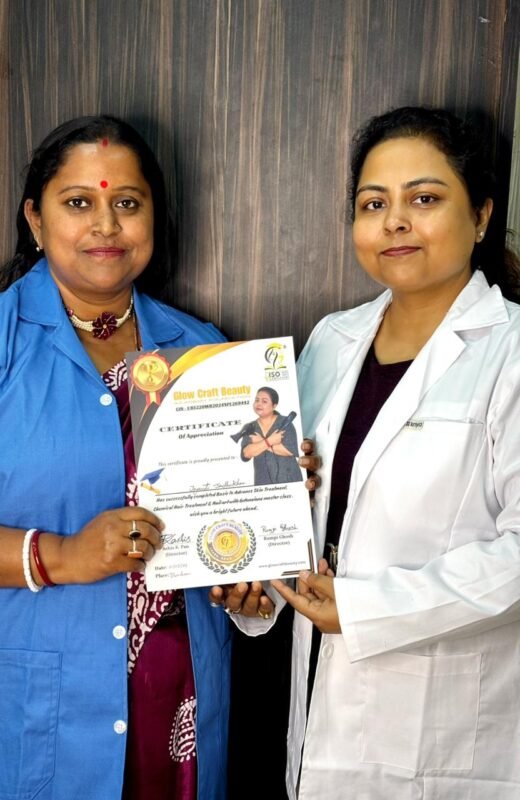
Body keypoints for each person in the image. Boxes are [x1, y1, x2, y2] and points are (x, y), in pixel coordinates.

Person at [0, 114, 271, 800]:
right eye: (78, 202)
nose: (105, 224)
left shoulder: (205, 353)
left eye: (127, 203)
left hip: (172, 709)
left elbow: (235, 538)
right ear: (35, 218)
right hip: (15, 714)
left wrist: (268, 508)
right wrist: (59, 555)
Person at [272, 106, 520, 799]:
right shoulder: (332, 340)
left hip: (448, 732)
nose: (395, 222)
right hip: (319, 710)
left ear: (481, 216)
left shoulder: (510, 351)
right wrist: (256, 582)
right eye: (373, 204)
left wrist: (364, 609)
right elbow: (300, 504)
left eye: (425, 199)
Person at [239, 387, 301, 485]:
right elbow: (246, 453)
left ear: (274, 405)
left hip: (289, 479)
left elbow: (289, 451)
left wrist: (260, 442)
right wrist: (270, 441)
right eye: (257, 400)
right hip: (263, 482)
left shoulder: (285, 422)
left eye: (264, 401)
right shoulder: (250, 427)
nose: (259, 404)